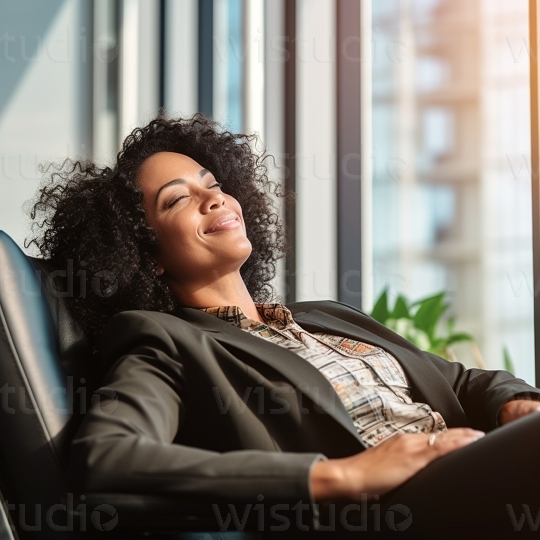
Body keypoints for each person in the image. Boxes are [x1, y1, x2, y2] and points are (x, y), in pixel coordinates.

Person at [27, 114, 540, 539]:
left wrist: (515, 402)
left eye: (214, 184)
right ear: (144, 254)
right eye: (177, 199)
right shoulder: (164, 339)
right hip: (401, 511)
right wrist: (338, 475)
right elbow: (107, 457)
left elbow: (458, 381)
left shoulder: (325, 317)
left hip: (477, 469)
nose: (215, 200)